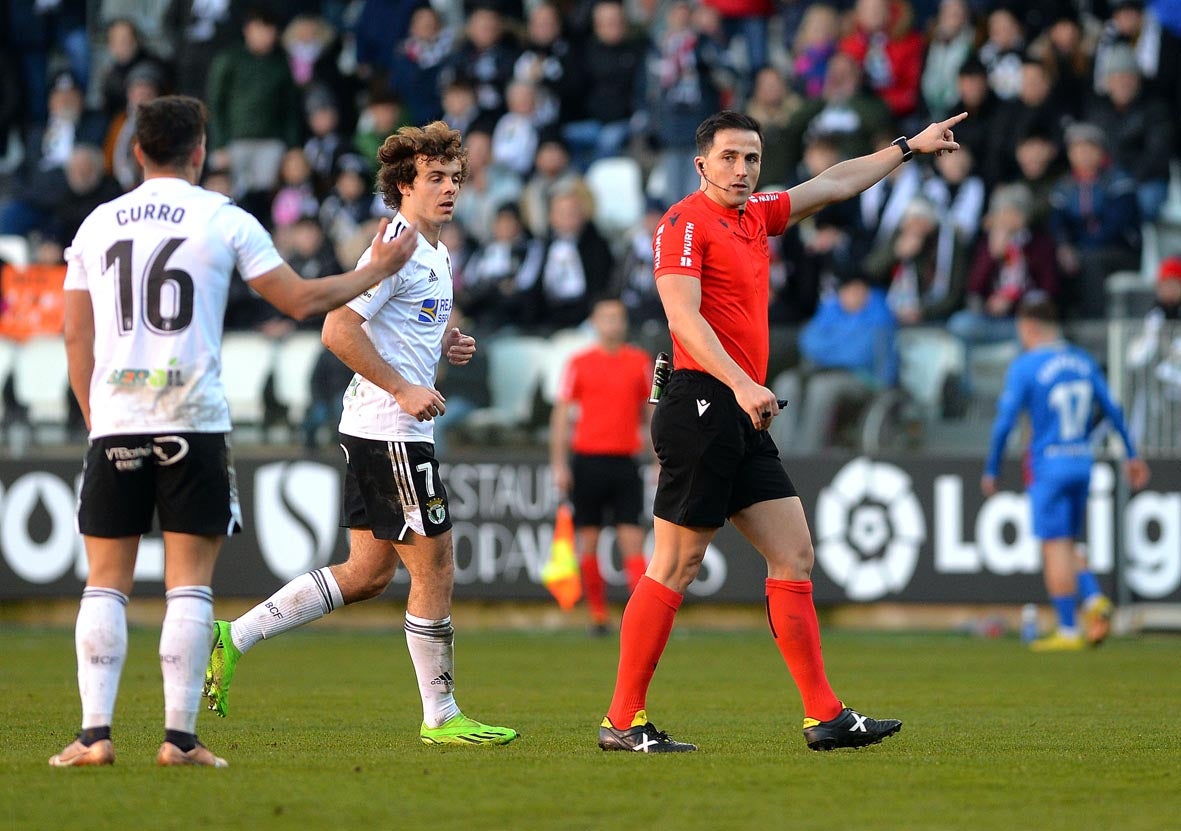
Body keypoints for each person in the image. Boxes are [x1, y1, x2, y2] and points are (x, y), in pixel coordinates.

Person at [51, 95, 418, 768]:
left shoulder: (97, 225)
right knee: (188, 583)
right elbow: (302, 301)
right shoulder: (222, 218)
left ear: (136, 151)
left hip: (117, 422)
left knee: (104, 582)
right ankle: (179, 739)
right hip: (194, 421)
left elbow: (76, 332)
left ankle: (94, 735)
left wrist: (96, 418)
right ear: (199, 150)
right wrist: (379, 270)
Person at [597, 108, 964, 753]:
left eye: (753, 159)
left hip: (741, 407)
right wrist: (741, 382)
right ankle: (622, 721)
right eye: (731, 158)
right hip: (705, 403)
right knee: (675, 565)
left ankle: (824, 715)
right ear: (701, 163)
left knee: (793, 553)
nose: (743, 170)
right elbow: (682, 319)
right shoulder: (685, 222)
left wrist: (906, 147)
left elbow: (831, 184)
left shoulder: (753, 216)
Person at [204, 121, 518, 747]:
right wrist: (404, 387)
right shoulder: (395, 248)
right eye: (435, 178)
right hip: (390, 430)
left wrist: (440, 343)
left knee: (369, 572)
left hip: (381, 428)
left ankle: (232, 637)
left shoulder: (434, 249)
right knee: (436, 566)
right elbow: (338, 330)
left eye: (455, 178)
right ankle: (442, 716)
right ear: (404, 185)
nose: (450, 189)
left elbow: (400, 325)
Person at [982, 292, 1150, 651]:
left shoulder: (1026, 366)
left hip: (1047, 465)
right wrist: (1132, 455)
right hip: (1081, 461)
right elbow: (1113, 408)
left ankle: (1069, 628)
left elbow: (1004, 424)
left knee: (1053, 545)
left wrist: (992, 467)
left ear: (1027, 327)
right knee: (1067, 541)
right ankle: (1092, 599)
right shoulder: (1081, 360)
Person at [549, 298, 653, 634]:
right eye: (606, 317)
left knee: (632, 541)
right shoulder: (579, 363)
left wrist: (659, 459)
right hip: (588, 461)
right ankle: (598, 616)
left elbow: (651, 413)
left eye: (618, 318)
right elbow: (562, 415)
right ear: (594, 322)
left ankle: (640, 619)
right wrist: (559, 464)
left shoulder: (639, 362)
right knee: (588, 540)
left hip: (626, 461)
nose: (612, 324)